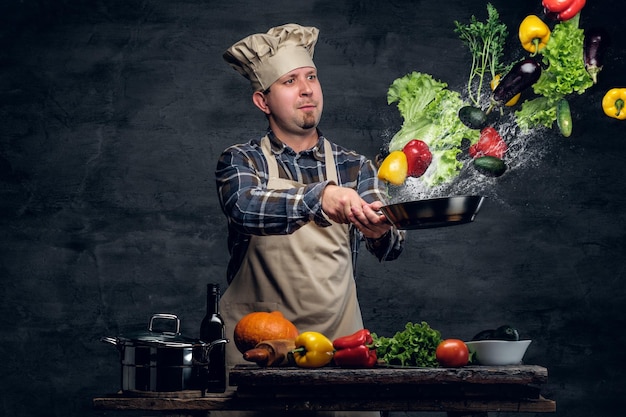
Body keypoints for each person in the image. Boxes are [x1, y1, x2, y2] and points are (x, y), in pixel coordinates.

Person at [214, 23, 405, 417]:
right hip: (257, 354)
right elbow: (245, 206)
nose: (306, 90)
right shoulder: (241, 161)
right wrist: (321, 196)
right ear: (262, 102)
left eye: (311, 77)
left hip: (341, 350)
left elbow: (391, 247)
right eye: (289, 81)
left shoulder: (355, 167)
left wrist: (381, 230)